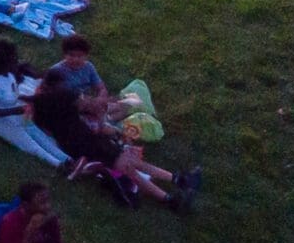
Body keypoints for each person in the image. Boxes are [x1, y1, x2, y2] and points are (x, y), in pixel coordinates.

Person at [31, 73, 196, 211]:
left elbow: (47, 128)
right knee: (128, 167)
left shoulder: (39, 107)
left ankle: (178, 180)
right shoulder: (64, 97)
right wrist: (102, 116)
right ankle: (170, 199)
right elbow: (91, 107)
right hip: (88, 142)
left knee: (131, 162)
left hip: (74, 144)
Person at [45, 36, 135, 126]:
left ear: (86, 56)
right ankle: (101, 122)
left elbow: (101, 88)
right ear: (64, 55)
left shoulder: (88, 67)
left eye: (80, 56)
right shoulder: (56, 71)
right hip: (69, 104)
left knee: (124, 106)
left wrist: (100, 98)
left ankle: (105, 120)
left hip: (88, 101)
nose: (75, 59)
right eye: (71, 55)